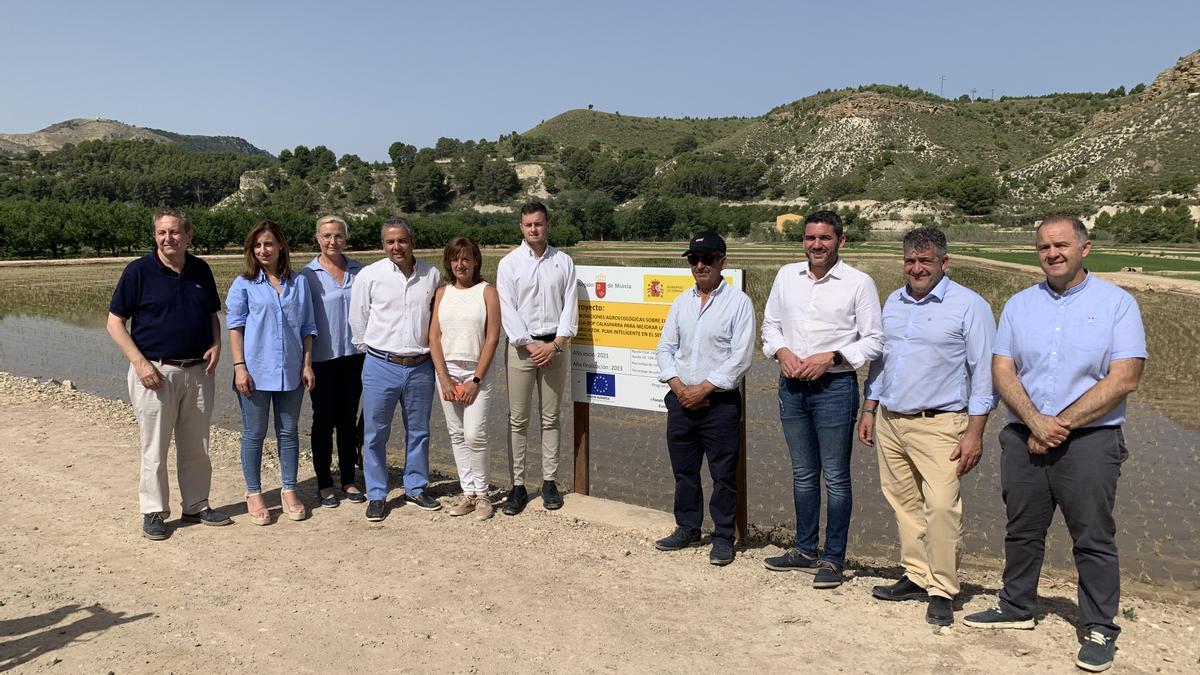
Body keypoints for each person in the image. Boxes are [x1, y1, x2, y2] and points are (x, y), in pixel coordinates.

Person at [963, 216, 1146, 673]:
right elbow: (1002, 368)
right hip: (1024, 436)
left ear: (1086, 247)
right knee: (1022, 529)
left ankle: (1100, 625)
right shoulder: (1020, 305)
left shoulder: (1117, 304)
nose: (1052, 253)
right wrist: (1033, 422)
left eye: (1062, 244)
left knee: (1093, 536)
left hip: (1090, 441)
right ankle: (1016, 604)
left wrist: (1056, 425)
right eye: (1043, 246)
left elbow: (1126, 377)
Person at [857, 227, 996, 626]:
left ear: (944, 262)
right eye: (910, 261)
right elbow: (881, 364)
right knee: (904, 504)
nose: (916, 268)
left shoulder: (969, 306)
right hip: (891, 419)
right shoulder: (894, 303)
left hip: (940, 424)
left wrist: (975, 431)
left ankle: (943, 588)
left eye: (925, 261)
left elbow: (983, 372)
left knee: (940, 506)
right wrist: (870, 409)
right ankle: (917, 575)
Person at [760, 210, 883, 589]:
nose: (817, 245)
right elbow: (770, 326)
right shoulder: (786, 277)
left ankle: (832, 559)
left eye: (825, 238)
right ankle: (804, 549)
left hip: (835, 390)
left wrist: (831, 357)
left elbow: (874, 340)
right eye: (811, 238)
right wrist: (781, 353)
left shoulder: (859, 283)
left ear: (840, 241)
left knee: (836, 477)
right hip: (793, 388)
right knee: (803, 474)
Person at [107, 207, 231, 540]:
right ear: (155, 236)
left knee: (197, 445)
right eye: (162, 232)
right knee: (155, 446)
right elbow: (114, 322)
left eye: (175, 232)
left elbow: (211, 315)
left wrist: (217, 345)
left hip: (198, 372)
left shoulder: (201, 270)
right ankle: (154, 511)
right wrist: (140, 363)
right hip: (155, 372)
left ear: (189, 235)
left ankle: (196, 505)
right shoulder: (138, 272)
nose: (168, 238)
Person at [653, 232, 755, 566]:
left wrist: (704, 388)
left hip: (719, 404)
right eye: (694, 260)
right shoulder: (681, 302)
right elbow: (665, 347)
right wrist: (679, 387)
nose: (700, 265)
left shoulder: (738, 303)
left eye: (707, 259)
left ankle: (723, 536)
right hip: (681, 400)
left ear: (722, 262)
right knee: (683, 471)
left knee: (723, 474)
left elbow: (740, 358)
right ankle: (687, 527)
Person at [350, 219, 442, 521]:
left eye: (402, 241)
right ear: (383, 244)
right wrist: (377, 354)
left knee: (419, 431)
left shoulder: (431, 274)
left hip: (420, 366)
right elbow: (358, 322)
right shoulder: (369, 276)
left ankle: (415, 488)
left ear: (412, 241)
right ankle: (376, 493)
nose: (396, 247)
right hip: (381, 365)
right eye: (390, 242)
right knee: (375, 433)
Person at [227, 220, 317, 525]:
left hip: (291, 372)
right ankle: (254, 493)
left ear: (281, 246)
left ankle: (289, 489)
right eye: (257, 245)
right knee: (254, 434)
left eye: (269, 244)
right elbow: (235, 328)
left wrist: (307, 364)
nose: (263, 250)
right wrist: (240, 368)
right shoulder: (244, 284)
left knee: (289, 433)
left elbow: (307, 328)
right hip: (254, 372)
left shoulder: (299, 283)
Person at [495, 202, 578, 515]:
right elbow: (507, 309)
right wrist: (531, 346)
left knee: (551, 417)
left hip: (555, 348)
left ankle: (549, 482)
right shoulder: (509, 264)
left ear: (548, 225)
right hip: (521, 350)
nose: (534, 229)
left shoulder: (564, 262)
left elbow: (570, 306)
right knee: (518, 419)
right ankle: (517, 486)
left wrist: (555, 345)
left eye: (539, 224)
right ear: (521, 227)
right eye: (528, 224)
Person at [429, 237, 502, 520]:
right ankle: (468, 492)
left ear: (475, 262)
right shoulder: (441, 293)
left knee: (475, 434)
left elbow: (493, 338)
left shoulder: (488, 292)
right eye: (455, 259)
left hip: (476, 371)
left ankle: (483, 494)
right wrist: (445, 379)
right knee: (457, 434)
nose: (461, 264)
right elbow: (434, 337)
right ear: (448, 262)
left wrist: (476, 380)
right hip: (447, 370)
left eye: (466, 259)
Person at [298, 215, 366, 508]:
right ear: (318, 239)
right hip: (322, 359)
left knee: (348, 420)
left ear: (345, 239)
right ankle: (325, 483)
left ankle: (348, 481)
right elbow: (302, 321)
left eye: (338, 236)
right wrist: (306, 362)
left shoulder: (359, 272)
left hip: (354, 357)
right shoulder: (307, 275)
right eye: (326, 236)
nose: (332, 241)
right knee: (323, 420)